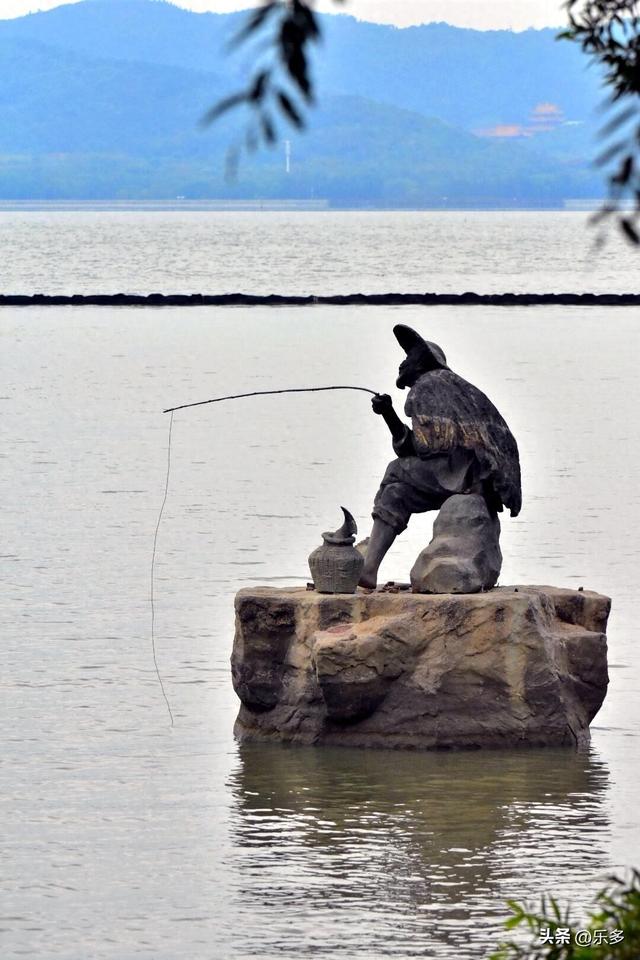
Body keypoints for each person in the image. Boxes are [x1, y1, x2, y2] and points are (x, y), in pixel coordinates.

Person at [359, 324, 522, 588]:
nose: (403, 363)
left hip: (463, 476)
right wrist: (388, 414)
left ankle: (369, 563)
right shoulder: (445, 388)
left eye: (409, 356)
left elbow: (427, 447)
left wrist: (392, 417)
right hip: (455, 475)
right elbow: (422, 444)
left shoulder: (429, 385)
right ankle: (369, 569)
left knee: (395, 470)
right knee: (396, 493)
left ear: (422, 362)